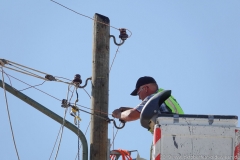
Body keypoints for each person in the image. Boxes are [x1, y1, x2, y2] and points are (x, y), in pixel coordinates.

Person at [112, 76, 184, 122]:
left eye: (138, 93)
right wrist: (131, 109)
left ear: (145, 89)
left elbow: (131, 115)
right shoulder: (164, 96)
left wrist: (119, 114)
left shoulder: (153, 98)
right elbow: (149, 111)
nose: (139, 98)